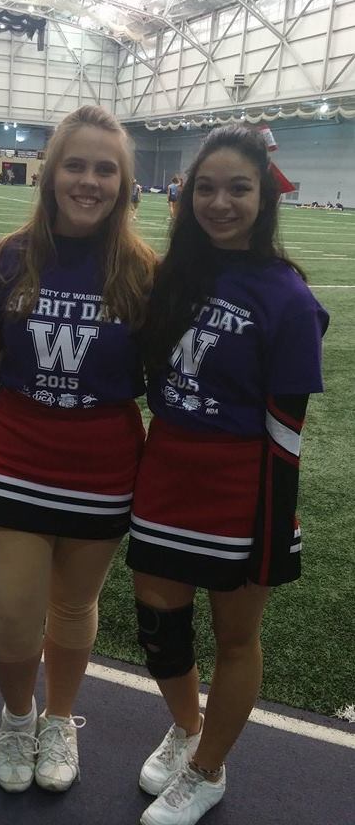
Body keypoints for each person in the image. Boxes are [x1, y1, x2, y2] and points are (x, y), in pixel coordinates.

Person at [0, 105, 156, 796]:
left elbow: (167, 387)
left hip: (104, 468)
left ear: (124, 183)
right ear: (51, 173)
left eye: (105, 169)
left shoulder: (144, 272)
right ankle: (17, 716)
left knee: (72, 607)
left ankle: (61, 717)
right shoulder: (5, 259)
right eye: (76, 165)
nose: (89, 181)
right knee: (13, 614)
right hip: (13, 458)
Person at [126, 125, 329, 825]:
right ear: (186, 197)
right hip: (165, 474)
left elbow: (286, 429)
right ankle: (188, 729)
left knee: (235, 638)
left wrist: (272, 526)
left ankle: (209, 769)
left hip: (241, 489)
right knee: (159, 628)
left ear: (264, 196)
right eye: (206, 188)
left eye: (238, 188)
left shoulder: (288, 297)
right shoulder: (170, 275)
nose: (220, 202)